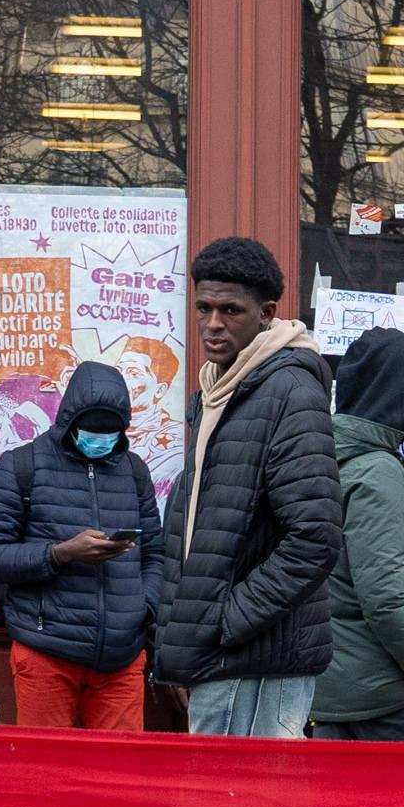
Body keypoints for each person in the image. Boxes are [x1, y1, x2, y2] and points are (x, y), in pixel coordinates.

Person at [156, 237, 342, 736]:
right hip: (224, 657)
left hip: (257, 662)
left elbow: (315, 538)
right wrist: (189, 635)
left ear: (266, 314)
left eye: (231, 310)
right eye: (204, 308)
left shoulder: (288, 390)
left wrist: (223, 622)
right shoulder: (222, 388)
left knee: (246, 788)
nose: (213, 323)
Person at [0, 358, 161, 728]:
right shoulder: (21, 465)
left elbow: (155, 553)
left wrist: (143, 609)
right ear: (69, 421)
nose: (100, 438)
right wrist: (60, 554)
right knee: (45, 763)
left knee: (118, 764)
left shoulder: (134, 471)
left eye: (111, 431)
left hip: (121, 657)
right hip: (46, 652)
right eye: (91, 429)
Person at [309, 328, 404, 741]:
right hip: (394, 694)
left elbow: (378, 547)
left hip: (338, 687)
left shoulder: (326, 453)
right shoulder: (377, 470)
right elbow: (386, 597)